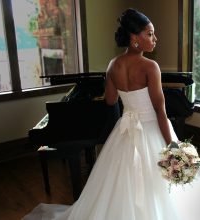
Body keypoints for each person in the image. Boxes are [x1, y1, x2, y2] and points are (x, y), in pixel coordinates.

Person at [22, 8, 180, 220]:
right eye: (150, 33)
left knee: (120, 182)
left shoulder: (113, 65)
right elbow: (161, 112)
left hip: (124, 130)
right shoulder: (151, 67)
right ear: (134, 37)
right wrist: (173, 147)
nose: (155, 38)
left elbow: (110, 100)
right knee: (151, 184)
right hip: (150, 128)